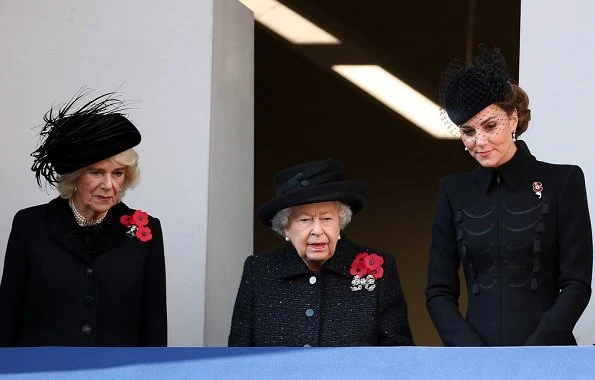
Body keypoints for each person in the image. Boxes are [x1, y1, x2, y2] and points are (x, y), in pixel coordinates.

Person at [425, 46, 592, 346]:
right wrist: (474, 356)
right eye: (468, 131)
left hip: (548, 359)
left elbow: (577, 283)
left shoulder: (563, 181)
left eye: (490, 126)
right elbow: (438, 291)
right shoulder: (453, 192)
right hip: (475, 362)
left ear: (513, 119)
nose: (480, 141)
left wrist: (533, 354)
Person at [0, 91, 167, 346]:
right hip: (42, 371)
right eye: (97, 172)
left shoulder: (145, 229)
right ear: (75, 177)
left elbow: (153, 321)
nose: (109, 185)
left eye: (118, 173)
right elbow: (7, 312)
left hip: (116, 372)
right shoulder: (30, 225)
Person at [229, 159, 413, 346]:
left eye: (326, 218)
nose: (317, 230)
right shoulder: (259, 270)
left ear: (340, 222)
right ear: (285, 227)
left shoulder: (378, 268)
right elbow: (237, 356)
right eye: (304, 220)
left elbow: (399, 356)